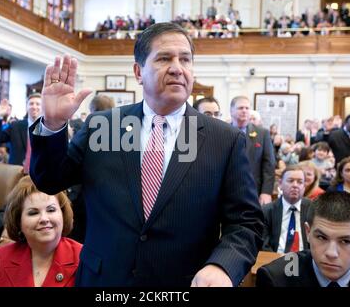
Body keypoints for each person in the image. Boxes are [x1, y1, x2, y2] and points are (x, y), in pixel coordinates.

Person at [30, 22, 263, 287]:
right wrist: (52, 124)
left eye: (185, 59)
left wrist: (221, 266)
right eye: (164, 58)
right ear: (138, 72)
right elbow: (49, 180)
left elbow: (246, 223)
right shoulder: (102, 127)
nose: (177, 67)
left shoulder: (224, 140)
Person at [0, 176, 82, 287]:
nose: (44, 219)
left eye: (51, 210)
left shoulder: (83, 258)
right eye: (33, 213)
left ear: (62, 214)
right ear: (19, 221)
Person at [257, 191, 350, 287]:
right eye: (322, 237)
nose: (331, 253)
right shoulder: (275, 277)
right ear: (308, 233)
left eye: (345, 241)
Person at [230, 95, 276, 205]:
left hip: (254, 190)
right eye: (240, 108)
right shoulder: (222, 131)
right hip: (228, 188)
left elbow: (269, 164)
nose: (244, 111)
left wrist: (266, 192)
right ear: (231, 111)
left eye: (247, 108)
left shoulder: (262, 133)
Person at [262, 165, 311, 253]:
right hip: (274, 260)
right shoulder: (267, 211)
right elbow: (264, 244)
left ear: (304, 186)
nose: (295, 185)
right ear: (280, 184)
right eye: (290, 181)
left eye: (300, 182)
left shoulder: (313, 209)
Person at [0, 93, 41, 171]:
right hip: (17, 172)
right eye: (31, 104)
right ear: (27, 107)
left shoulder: (50, 128)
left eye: (38, 104)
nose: (34, 107)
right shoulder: (16, 126)